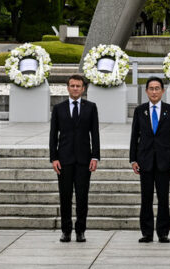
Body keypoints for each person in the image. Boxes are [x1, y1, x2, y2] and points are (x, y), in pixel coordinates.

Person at [50, 75, 100, 243]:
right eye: (72, 86)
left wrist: (95, 156)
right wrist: (53, 158)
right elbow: (53, 136)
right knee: (65, 197)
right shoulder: (59, 108)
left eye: (78, 86)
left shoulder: (91, 107)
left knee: (82, 197)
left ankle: (80, 231)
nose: (75, 88)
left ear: (83, 88)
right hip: (63, 160)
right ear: (68, 88)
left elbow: (95, 134)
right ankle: (66, 231)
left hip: (84, 160)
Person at [130, 77, 170, 243]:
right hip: (144, 160)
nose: (154, 91)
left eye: (157, 88)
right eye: (151, 88)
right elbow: (134, 137)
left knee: (163, 197)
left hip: (164, 161)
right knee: (146, 198)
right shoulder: (140, 110)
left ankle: (163, 232)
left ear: (162, 91)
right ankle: (146, 232)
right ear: (146, 91)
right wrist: (133, 159)